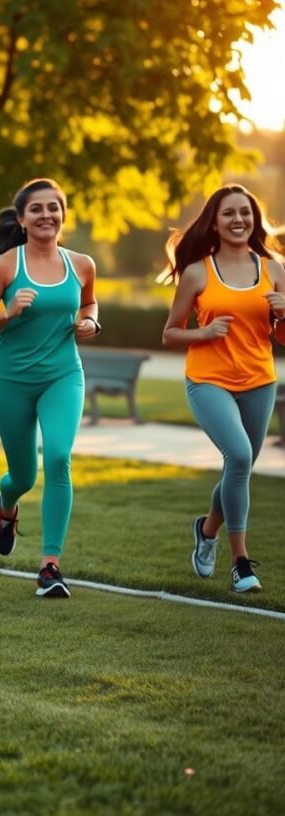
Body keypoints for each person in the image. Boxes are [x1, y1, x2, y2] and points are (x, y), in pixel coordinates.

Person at [0, 178, 99, 599]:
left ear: (63, 215)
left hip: (63, 376)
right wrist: (8, 314)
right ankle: (6, 506)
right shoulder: (6, 266)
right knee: (23, 476)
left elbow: (89, 302)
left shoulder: (82, 264)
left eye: (53, 208)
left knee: (59, 458)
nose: (47, 215)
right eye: (37, 209)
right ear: (22, 219)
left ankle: (50, 566)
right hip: (11, 381)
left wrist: (91, 321)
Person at [161, 184, 285, 594]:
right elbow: (170, 334)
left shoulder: (274, 270)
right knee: (240, 456)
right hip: (208, 380)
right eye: (229, 213)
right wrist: (205, 332)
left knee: (239, 468)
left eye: (245, 213)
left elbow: (282, 338)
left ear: (254, 220)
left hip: (259, 381)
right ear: (214, 222)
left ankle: (206, 528)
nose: (238, 220)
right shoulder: (198, 272)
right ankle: (240, 562)